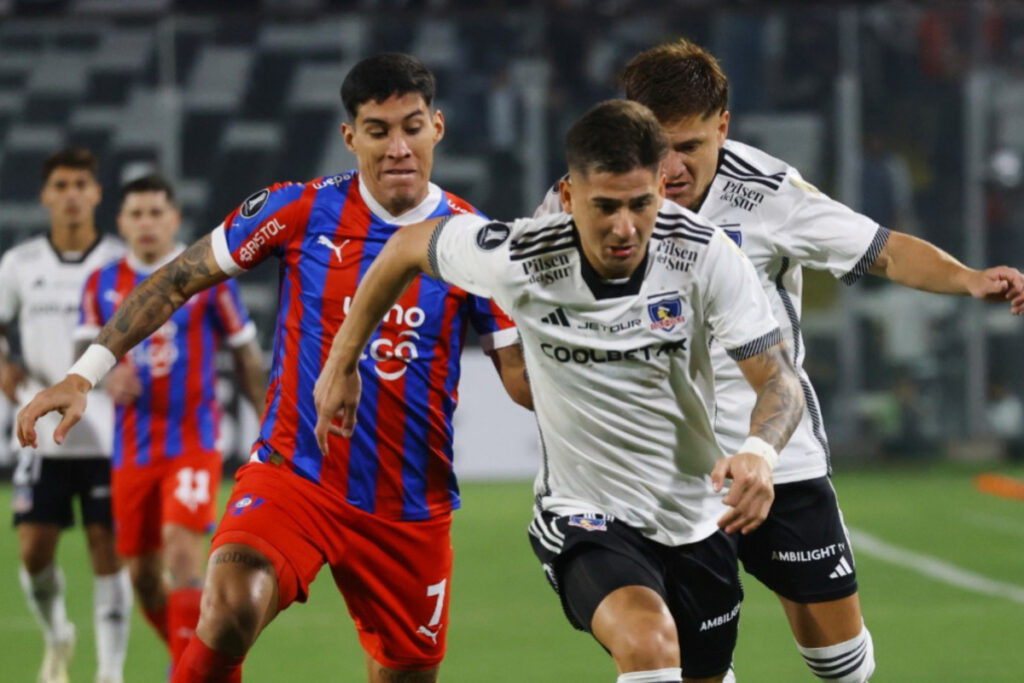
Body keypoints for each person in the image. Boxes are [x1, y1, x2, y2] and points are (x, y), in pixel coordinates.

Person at [16, 53, 527, 683]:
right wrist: (83, 374)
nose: (398, 147)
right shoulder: (300, 210)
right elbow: (179, 279)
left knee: (406, 673)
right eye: (378, 130)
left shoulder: (476, 239)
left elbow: (519, 379)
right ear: (350, 137)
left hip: (407, 505)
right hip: (296, 474)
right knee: (231, 602)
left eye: (412, 126)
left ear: (438, 127)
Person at [314, 99, 807, 683]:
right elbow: (402, 248)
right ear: (569, 197)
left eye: (641, 204)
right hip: (585, 515)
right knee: (649, 645)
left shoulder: (704, 255)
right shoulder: (521, 255)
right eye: (605, 206)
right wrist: (341, 362)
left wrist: (759, 452)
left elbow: (778, 379)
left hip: (695, 520)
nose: (625, 227)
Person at [600, 39, 1023, 682]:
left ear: (723, 125)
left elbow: (881, 249)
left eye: (689, 146)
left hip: (779, 458)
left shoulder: (767, 194)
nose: (670, 166)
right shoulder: (591, 196)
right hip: (670, 472)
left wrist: (967, 278)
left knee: (841, 665)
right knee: (694, 666)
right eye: (656, 144)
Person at [74, 173, 266, 673]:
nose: (146, 223)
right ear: (120, 221)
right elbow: (83, 347)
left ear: (174, 217)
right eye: (135, 214)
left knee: (183, 553)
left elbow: (245, 353)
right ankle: (189, 659)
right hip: (133, 449)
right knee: (140, 574)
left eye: (156, 212)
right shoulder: (100, 284)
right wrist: (106, 376)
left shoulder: (205, 276)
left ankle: (190, 672)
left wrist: (269, 419)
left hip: (193, 439)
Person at [0, 147, 130, 683]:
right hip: (41, 432)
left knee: (107, 548)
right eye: (61, 185)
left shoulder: (120, 262)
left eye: (81, 183)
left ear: (97, 193)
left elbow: (147, 328)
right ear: (45, 196)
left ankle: (109, 672)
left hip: (107, 431)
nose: (72, 194)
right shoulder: (20, 264)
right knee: (33, 551)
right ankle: (57, 636)